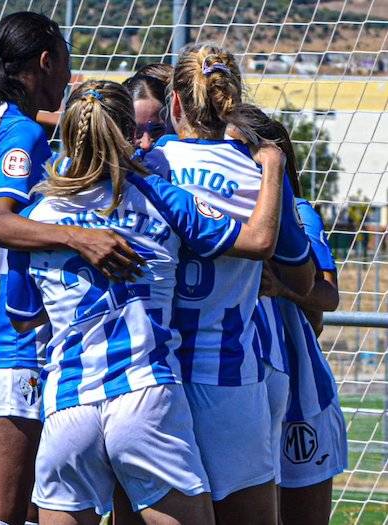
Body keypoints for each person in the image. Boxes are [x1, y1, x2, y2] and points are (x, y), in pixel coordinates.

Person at [4, 80, 287, 525]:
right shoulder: (159, 195)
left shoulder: (37, 219)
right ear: (132, 135)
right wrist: (273, 166)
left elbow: (22, 319)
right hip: (144, 395)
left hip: (67, 405)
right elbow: (256, 240)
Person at [0, 12, 142, 525]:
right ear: (47, 61)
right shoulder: (21, 131)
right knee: (3, 509)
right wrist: (82, 238)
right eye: (67, 66)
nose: (69, 81)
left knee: (14, 503)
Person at [154, 43, 315, 524]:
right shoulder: (260, 174)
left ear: (175, 104)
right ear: (234, 103)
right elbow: (303, 281)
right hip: (228, 375)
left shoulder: (148, 166)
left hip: (151, 373)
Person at [251, 118, 347, 525]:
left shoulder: (298, 214)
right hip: (240, 385)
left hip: (298, 392)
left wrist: (285, 287)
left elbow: (327, 297)